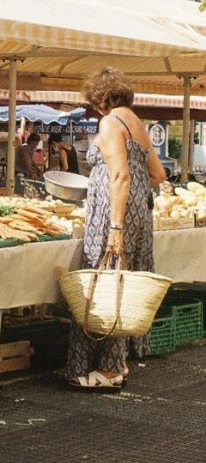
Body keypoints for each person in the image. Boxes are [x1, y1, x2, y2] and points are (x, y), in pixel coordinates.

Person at [65, 67, 166, 389]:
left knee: (99, 284)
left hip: (112, 212)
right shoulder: (136, 123)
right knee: (121, 282)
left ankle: (98, 370)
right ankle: (116, 363)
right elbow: (158, 175)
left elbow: (119, 175)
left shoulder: (110, 122)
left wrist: (115, 226)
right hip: (138, 211)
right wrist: (135, 195)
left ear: (100, 98)